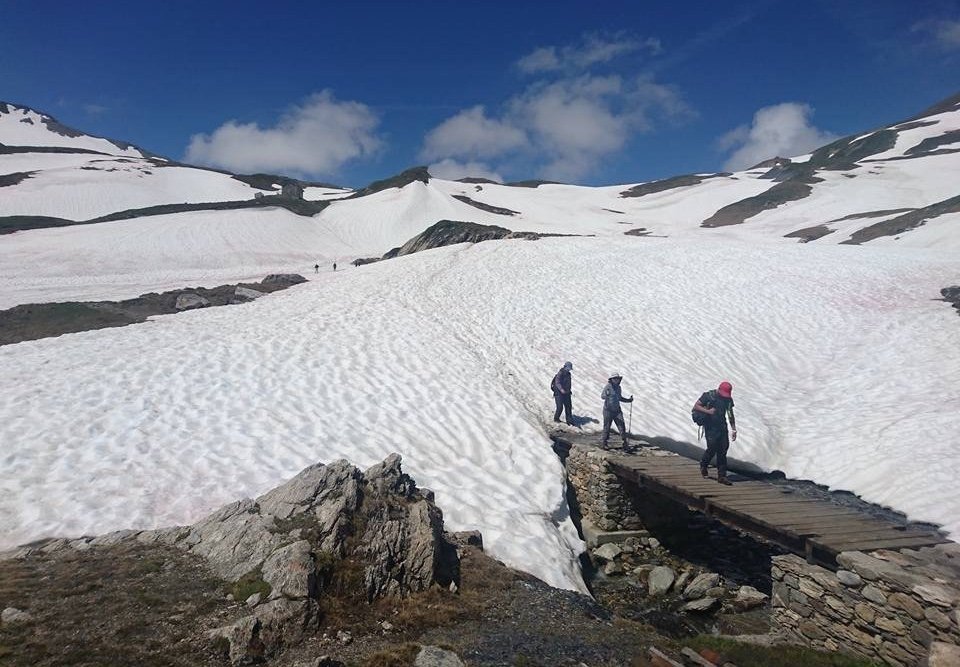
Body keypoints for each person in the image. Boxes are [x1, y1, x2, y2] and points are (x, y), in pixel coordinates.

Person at [693, 381, 738, 485]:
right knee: (712, 448)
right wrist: (708, 412)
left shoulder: (728, 400)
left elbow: (730, 414)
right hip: (710, 426)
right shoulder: (708, 396)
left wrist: (734, 429)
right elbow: (696, 406)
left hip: (722, 426)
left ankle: (722, 476)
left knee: (723, 449)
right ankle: (703, 464)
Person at [600, 373, 633, 449]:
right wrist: (607, 395)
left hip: (617, 410)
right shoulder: (608, 387)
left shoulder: (619, 387)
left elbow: (619, 398)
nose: (616, 380)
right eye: (614, 378)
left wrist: (629, 400)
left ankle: (624, 443)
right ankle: (604, 443)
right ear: (611, 379)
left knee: (621, 426)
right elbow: (602, 396)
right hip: (608, 410)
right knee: (607, 427)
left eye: (617, 378)